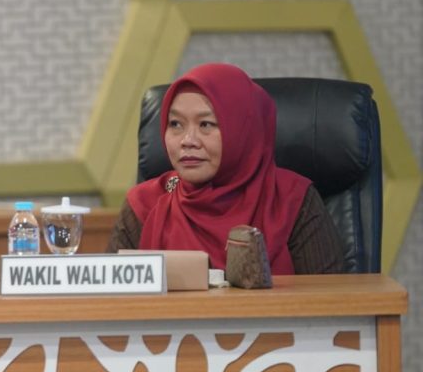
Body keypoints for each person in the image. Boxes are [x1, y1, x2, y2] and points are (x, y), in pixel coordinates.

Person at [107, 62, 343, 274]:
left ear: (243, 131)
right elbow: (110, 300)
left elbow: (331, 301)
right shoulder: (145, 205)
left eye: (206, 124)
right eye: (176, 124)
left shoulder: (293, 200)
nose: (187, 140)